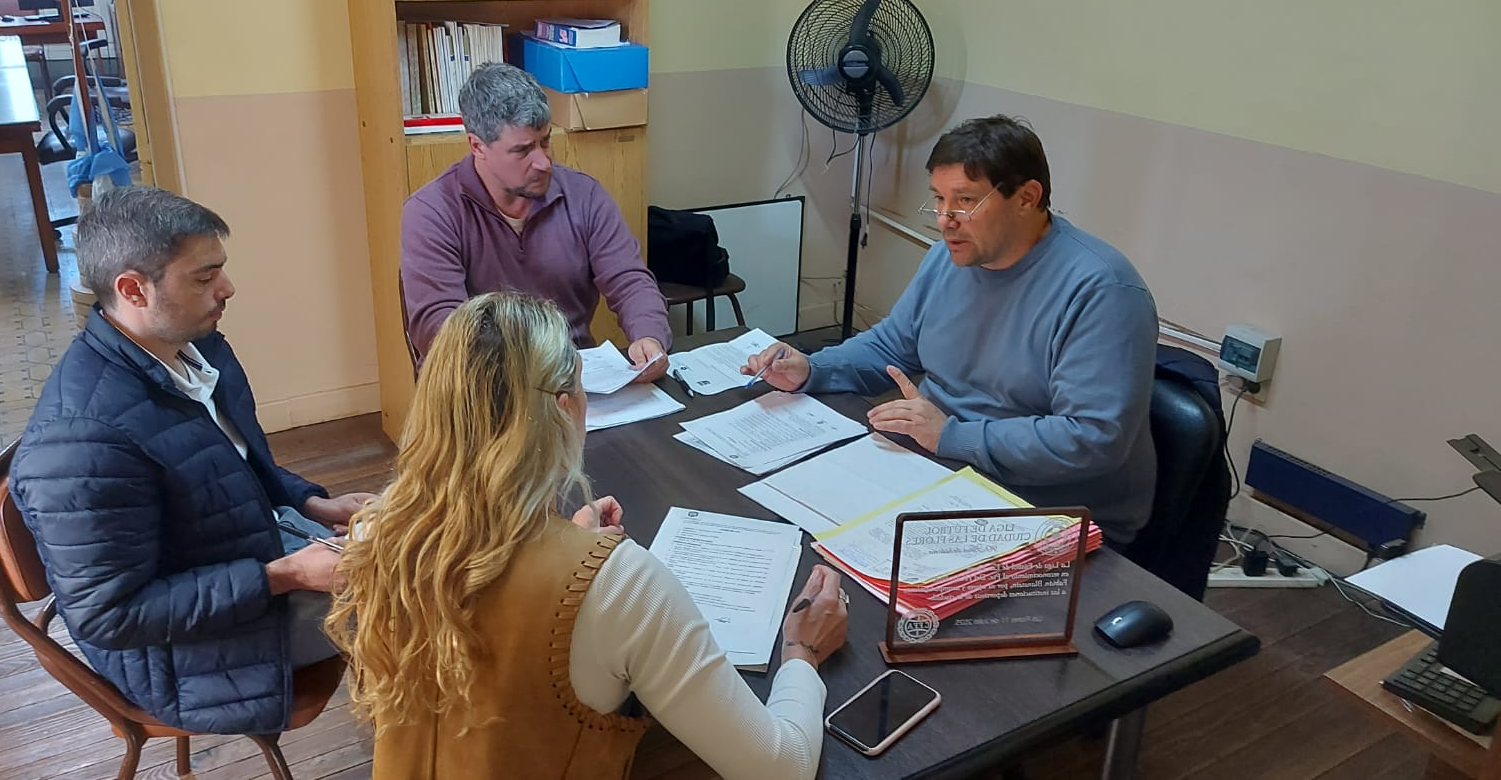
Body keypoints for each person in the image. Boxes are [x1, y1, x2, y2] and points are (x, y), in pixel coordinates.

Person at [327, 292, 847, 779]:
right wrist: (801, 651)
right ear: (562, 409)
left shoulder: (381, 531)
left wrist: (565, 551)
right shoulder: (619, 585)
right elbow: (780, 766)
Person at [9, 186, 373, 734]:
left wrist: (311, 503)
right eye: (204, 278)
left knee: (438, 550)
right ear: (133, 289)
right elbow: (111, 615)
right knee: (437, 593)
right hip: (191, 653)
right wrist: (288, 574)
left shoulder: (195, 347)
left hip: (249, 561)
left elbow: (230, 465)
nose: (227, 288)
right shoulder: (79, 444)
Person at [744, 116, 1159, 546]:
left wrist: (952, 436)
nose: (945, 220)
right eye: (939, 199)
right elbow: (891, 346)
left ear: (1026, 198)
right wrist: (813, 369)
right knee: (784, 525)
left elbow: (1091, 438)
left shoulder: (1102, 291)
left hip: (1046, 509)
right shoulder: (952, 256)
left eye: (965, 201)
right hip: (941, 465)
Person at [400, 62, 671, 380]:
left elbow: (629, 280)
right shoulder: (431, 212)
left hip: (570, 379)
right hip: (479, 381)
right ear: (477, 146)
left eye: (545, 141)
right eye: (523, 150)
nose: (543, 162)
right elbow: (442, 329)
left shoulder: (583, 195)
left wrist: (649, 336)